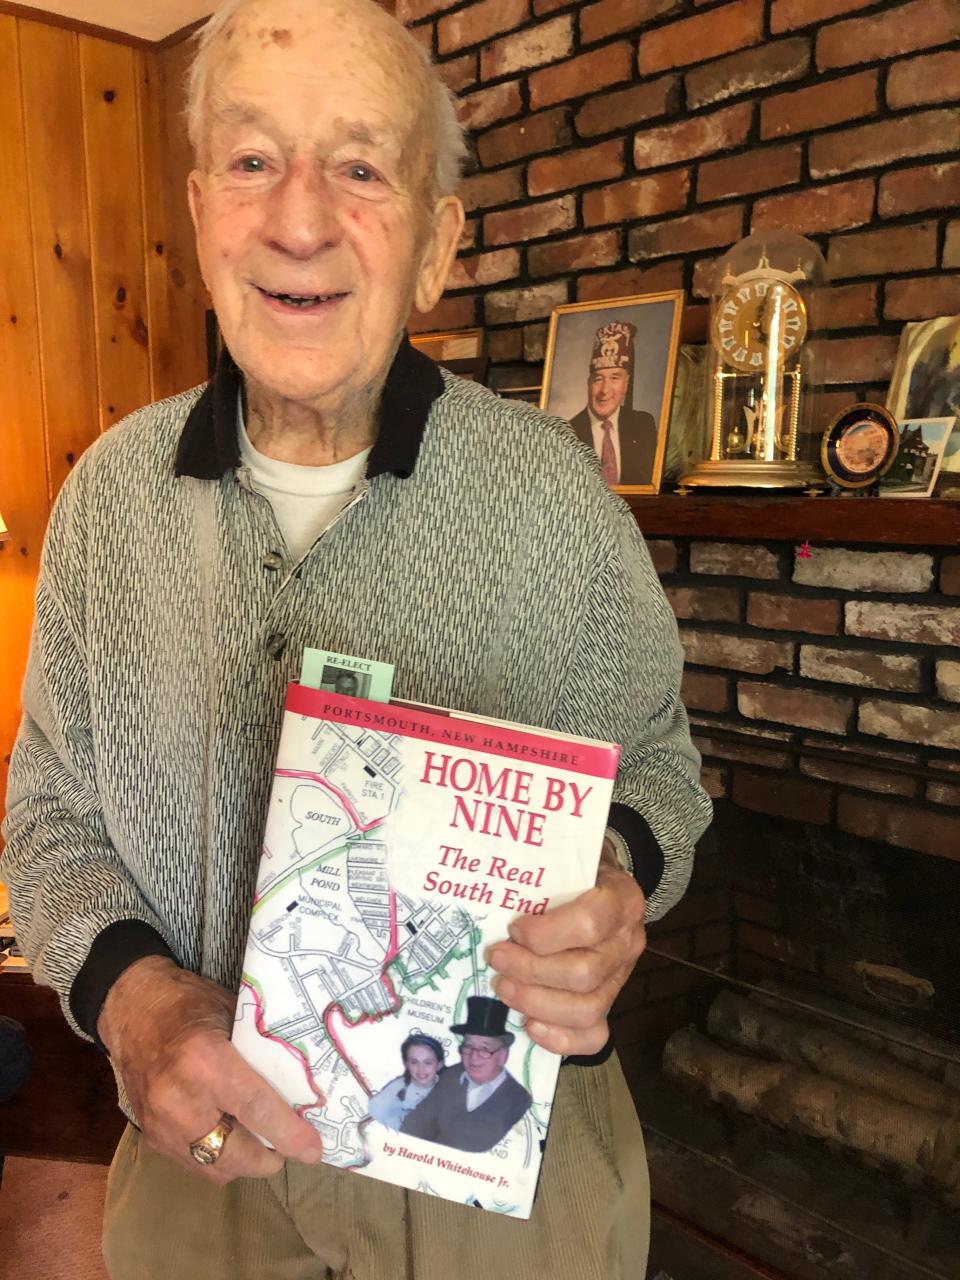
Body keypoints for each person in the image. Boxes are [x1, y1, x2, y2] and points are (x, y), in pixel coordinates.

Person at [0, 0, 711, 1276]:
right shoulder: (106, 501)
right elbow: (48, 810)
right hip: (201, 1169)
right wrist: (132, 997)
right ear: (203, 203)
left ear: (437, 244)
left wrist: (613, 884)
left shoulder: (554, 496)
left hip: (501, 1188)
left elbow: (663, 766)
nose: (302, 217)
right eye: (257, 158)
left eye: (363, 167)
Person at [401, 997, 531, 1153]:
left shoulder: (518, 1099)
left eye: (484, 1049)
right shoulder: (451, 1075)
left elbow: (471, 1144)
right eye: (468, 1046)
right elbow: (415, 1123)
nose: (474, 1057)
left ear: (502, 1056)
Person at [569, 321, 658, 486]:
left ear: (626, 383)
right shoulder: (568, 432)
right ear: (589, 383)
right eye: (598, 379)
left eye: (615, 378)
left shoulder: (643, 425)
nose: (605, 390)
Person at [368, 1033, 445, 1130]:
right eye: (414, 1062)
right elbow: (376, 1113)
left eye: (428, 1063)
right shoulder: (397, 1088)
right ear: (406, 1064)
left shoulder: (449, 1091)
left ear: (439, 1065)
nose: (421, 1069)